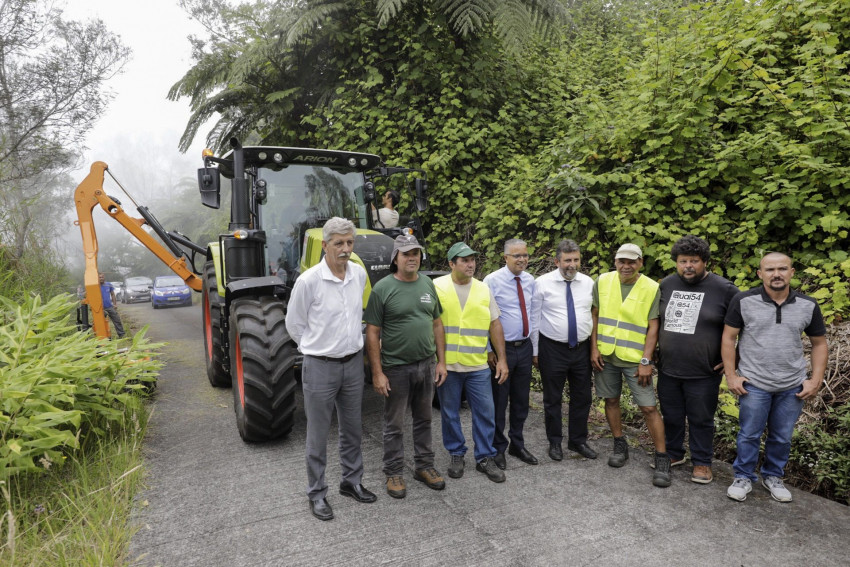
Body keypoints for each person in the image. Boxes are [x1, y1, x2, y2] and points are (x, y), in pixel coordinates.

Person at [284, 217, 377, 521]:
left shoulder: (359, 275)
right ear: (325, 245)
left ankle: (352, 482)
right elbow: (294, 325)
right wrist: (317, 348)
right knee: (318, 434)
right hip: (320, 367)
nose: (345, 249)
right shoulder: (309, 281)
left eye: (349, 243)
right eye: (338, 243)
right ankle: (317, 493)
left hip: (352, 365)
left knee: (352, 429)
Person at [722, 252, 827, 503]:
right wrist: (731, 376)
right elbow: (728, 338)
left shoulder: (808, 305)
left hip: (792, 385)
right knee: (749, 433)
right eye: (770, 270)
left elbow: (819, 344)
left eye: (782, 269)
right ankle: (743, 476)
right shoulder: (744, 301)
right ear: (760, 274)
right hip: (754, 383)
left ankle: (773, 476)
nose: (776, 274)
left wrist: (815, 380)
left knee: (782, 436)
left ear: (792, 272)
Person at [364, 234, 448, 499]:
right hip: (396, 368)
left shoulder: (427, 284)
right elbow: (373, 333)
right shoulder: (383, 289)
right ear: (395, 258)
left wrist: (441, 361)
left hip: (426, 365)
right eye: (406, 254)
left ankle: (424, 466)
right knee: (395, 424)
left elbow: (437, 323)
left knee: (424, 419)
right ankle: (393, 471)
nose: (412, 258)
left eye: (416, 253)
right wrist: (377, 373)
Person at [657, 235, 739, 484]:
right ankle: (673, 454)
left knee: (701, 419)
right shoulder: (667, 285)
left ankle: (702, 462)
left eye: (694, 260)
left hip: (704, 371)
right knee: (670, 414)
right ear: (676, 262)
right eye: (683, 261)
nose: (688, 266)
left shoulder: (725, 289)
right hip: (669, 368)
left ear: (705, 262)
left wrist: (734, 359)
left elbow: (747, 326)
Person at [590, 243, 671, 487]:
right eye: (621, 261)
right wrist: (593, 348)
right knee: (611, 400)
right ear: (615, 262)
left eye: (632, 262)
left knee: (648, 408)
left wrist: (646, 360)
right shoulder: (602, 281)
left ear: (641, 263)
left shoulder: (651, 287)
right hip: (606, 354)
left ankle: (661, 457)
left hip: (636, 359)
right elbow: (594, 315)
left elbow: (653, 326)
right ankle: (619, 444)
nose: (626, 266)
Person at [434, 241, 509, 483]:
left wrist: (502, 359)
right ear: (451, 264)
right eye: (464, 260)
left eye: (473, 259)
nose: (470, 264)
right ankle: (456, 453)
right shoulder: (436, 287)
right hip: (448, 366)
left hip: (477, 365)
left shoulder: (483, 289)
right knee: (449, 413)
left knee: (485, 413)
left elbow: (494, 324)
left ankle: (485, 457)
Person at [530, 239, 596, 462]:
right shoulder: (542, 283)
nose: (572, 264)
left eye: (576, 260)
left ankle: (578, 441)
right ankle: (555, 441)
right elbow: (535, 318)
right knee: (552, 398)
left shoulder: (588, 283)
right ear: (557, 261)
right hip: (552, 348)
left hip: (581, 349)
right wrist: (536, 350)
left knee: (583, 397)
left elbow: (593, 315)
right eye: (567, 260)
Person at [483, 239, 538, 469]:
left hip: (524, 348)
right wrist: (488, 350)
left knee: (520, 401)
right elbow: (483, 316)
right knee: (499, 401)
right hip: (501, 350)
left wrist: (535, 349)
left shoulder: (530, 280)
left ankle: (517, 443)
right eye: (516, 256)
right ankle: (498, 447)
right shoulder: (492, 281)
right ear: (505, 257)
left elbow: (533, 315)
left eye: (524, 255)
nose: (522, 259)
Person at [98, 273, 125, 338]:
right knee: (101, 323)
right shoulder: (96, 286)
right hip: (100, 308)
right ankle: (104, 337)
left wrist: (115, 304)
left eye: (102, 277)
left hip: (109, 306)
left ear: (104, 278)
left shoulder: (109, 285)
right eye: (99, 277)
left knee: (117, 320)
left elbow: (112, 294)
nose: (101, 278)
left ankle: (122, 335)